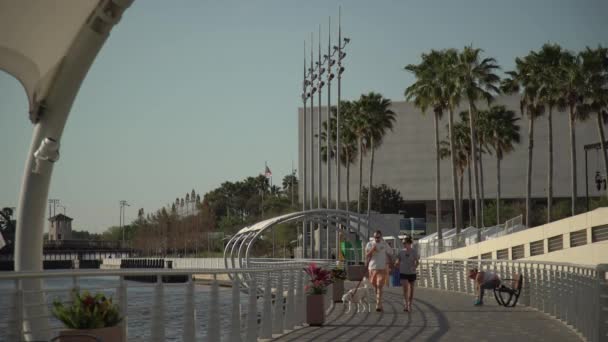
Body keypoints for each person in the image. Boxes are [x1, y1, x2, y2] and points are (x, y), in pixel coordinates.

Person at [365, 230, 393, 312]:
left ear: (381, 237)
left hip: (382, 268)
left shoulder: (384, 244)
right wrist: (372, 249)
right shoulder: (370, 244)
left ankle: (378, 304)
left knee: (379, 285)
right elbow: (367, 255)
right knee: (375, 286)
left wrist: (390, 261)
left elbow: (390, 252)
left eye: (378, 237)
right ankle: (379, 302)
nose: (376, 238)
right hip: (372, 268)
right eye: (375, 237)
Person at [395, 237, 419, 312]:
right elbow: (398, 260)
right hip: (403, 272)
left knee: (411, 289)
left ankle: (409, 304)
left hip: (411, 272)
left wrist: (415, 266)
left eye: (404, 243)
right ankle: (405, 304)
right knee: (405, 289)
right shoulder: (401, 252)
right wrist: (397, 263)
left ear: (409, 243)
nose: (403, 244)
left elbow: (417, 261)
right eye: (403, 243)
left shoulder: (414, 251)